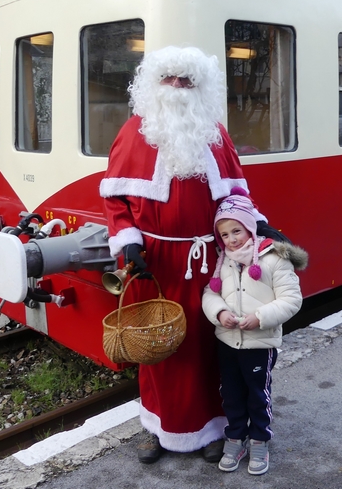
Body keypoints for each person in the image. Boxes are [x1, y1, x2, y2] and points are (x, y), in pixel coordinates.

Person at [100, 45, 277, 464]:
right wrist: (129, 241)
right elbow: (114, 199)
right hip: (155, 263)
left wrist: (260, 227)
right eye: (170, 79)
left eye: (187, 80)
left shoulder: (214, 134)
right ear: (154, 84)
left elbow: (236, 195)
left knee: (211, 344)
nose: (178, 87)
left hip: (211, 262)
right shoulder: (134, 132)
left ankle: (216, 427)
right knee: (156, 345)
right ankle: (157, 426)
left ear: (200, 88)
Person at [202, 187, 306, 475]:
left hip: (259, 344)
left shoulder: (273, 258)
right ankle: (235, 437)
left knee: (258, 395)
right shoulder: (223, 260)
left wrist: (259, 318)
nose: (231, 239)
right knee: (231, 394)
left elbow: (291, 299)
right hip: (228, 342)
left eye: (236, 231)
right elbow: (210, 293)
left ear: (250, 227)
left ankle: (260, 439)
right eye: (224, 235)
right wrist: (219, 313)